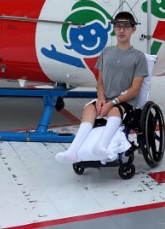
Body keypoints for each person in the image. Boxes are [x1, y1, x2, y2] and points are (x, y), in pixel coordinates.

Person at [56, 11, 149, 164]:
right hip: (105, 98)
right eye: (118, 26)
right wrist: (100, 99)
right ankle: (72, 151)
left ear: (133, 29)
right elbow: (100, 82)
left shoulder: (138, 57)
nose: (121, 30)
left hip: (125, 101)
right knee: (89, 109)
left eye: (126, 27)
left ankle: (101, 145)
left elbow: (135, 89)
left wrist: (113, 102)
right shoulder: (106, 52)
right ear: (113, 28)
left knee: (113, 110)